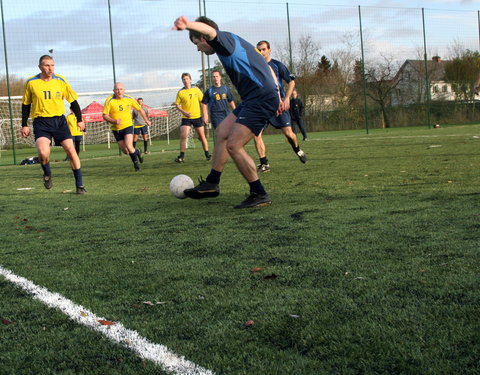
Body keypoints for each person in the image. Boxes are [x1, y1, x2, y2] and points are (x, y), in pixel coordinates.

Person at [172, 16, 283, 208]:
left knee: (234, 145)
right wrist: (278, 94)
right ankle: (212, 183)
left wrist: (187, 25)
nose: (198, 48)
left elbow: (211, 32)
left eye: (197, 43)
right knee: (222, 131)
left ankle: (259, 193)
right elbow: (266, 67)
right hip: (255, 97)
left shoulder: (223, 41)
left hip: (260, 97)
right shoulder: (233, 41)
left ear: (204, 37)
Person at [21, 55, 86, 194]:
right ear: (40, 67)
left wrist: (80, 120)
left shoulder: (61, 81)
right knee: (43, 153)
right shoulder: (31, 82)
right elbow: (26, 105)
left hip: (59, 121)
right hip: (41, 122)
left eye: (52, 65)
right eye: (46, 65)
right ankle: (47, 174)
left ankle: (80, 185)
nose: (50, 68)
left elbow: (73, 102)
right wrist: (24, 124)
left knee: (71, 150)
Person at [254, 40, 307, 173]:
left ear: (269, 50)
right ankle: (264, 163)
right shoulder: (254, 67)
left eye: (264, 49)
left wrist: (287, 98)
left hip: (278, 106)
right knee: (256, 134)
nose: (261, 52)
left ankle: (297, 149)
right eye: (259, 50)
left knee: (289, 134)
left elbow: (291, 82)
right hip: (262, 106)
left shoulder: (277, 65)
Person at [102, 82, 151, 172]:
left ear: (124, 90)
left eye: (121, 89)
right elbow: (104, 115)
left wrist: (146, 120)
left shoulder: (129, 99)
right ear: (113, 91)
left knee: (129, 145)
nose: (119, 91)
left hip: (127, 126)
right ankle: (137, 152)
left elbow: (140, 109)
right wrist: (114, 121)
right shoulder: (109, 100)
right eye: (117, 89)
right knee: (126, 151)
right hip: (116, 129)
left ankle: (136, 166)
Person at [174, 72, 211, 163]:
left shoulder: (196, 90)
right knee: (183, 136)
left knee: (202, 137)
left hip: (197, 117)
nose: (186, 81)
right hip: (186, 118)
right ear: (182, 81)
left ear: (190, 80)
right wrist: (184, 112)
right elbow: (177, 105)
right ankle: (181, 157)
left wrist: (205, 115)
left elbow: (203, 103)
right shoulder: (181, 92)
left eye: (187, 79)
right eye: (184, 79)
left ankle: (207, 154)